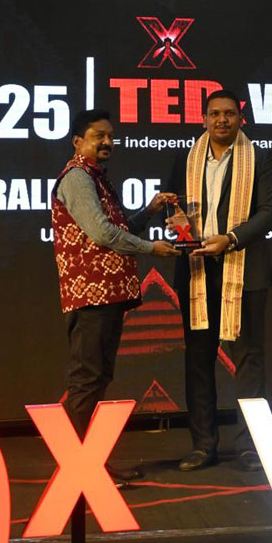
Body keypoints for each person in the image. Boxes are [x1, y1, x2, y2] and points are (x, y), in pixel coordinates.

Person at [51, 109, 177, 457]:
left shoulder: (97, 177)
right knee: (87, 379)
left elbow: (117, 231)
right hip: (91, 297)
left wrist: (150, 210)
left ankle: (89, 465)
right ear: (78, 141)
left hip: (106, 297)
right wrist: (152, 248)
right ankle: (76, 465)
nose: (107, 142)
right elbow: (103, 234)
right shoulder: (78, 178)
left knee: (98, 377)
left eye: (109, 136)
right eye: (98, 136)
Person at [167, 89, 272, 473]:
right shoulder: (187, 158)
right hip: (197, 271)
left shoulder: (258, 157)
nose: (222, 120)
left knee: (249, 360)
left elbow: (271, 212)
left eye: (229, 113)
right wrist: (176, 222)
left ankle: (250, 445)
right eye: (214, 114)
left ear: (240, 118)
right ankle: (203, 445)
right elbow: (172, 203)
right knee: (198, 360)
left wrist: (230, 239)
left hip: (244, 269)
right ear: (204, 119)